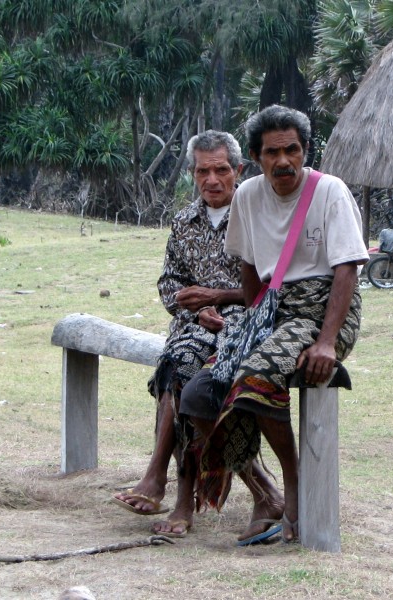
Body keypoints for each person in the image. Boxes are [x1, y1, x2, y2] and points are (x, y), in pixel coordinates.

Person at [180, 104, 370, 543]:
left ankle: (294, 483)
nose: (284, 161)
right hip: (271, 309)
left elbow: (347, 270)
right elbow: (249, 265)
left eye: (292, 150)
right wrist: (250, 322)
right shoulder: (247, 195)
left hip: (323, 311)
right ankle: (263, 492)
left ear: (305, 151)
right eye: (273, 152)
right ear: (257, 156)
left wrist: (326, 343)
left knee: (257, 375)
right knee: (201, 391)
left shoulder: (331, 192)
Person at [111, 130, 248, 529]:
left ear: (238, 170)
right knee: (176, 366)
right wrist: (193, 305)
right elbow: (169, 283)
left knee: (187, 373)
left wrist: (217, 298)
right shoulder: (184, 222)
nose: (212, 180)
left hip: (238, 324)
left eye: (221, 170)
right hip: (192, 325)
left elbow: (269, 287)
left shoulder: (255, 214)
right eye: (203, 171)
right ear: (193, 174)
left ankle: (170, 486)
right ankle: (170, 487)